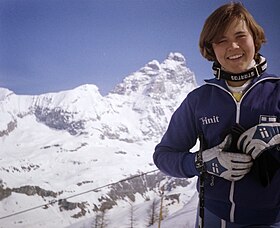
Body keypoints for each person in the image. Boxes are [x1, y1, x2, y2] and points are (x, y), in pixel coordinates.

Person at [153, 2, 280, 227]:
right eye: (221, 40)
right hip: (212, 217)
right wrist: (202, 162)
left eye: (240, 35)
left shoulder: (277, 91)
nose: (232, 46)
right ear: (211, 49)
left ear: (255, 38)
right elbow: (164, 156)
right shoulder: (199, 100)